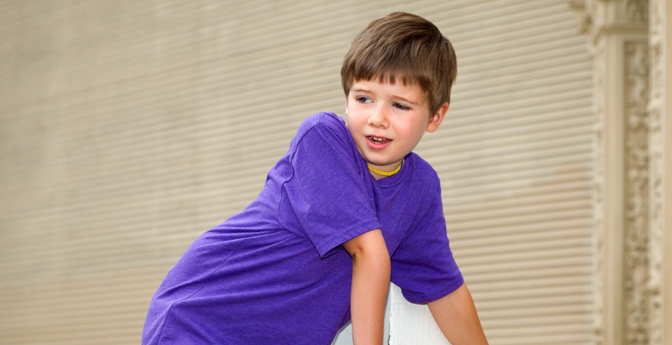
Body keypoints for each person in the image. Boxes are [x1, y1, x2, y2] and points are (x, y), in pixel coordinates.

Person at [142, 12, 489, 345]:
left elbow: (445, 290)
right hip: (206, 320)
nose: (377, 118)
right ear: (347, 98)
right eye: (364, 98)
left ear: (436, 116)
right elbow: (370, 253)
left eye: (400, 105)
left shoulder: (420, 188)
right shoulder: (322, 139)